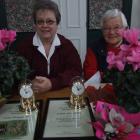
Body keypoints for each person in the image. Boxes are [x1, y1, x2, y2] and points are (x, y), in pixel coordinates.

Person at [15, 0, 82, 93]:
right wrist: (29, 83)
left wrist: (52, 83)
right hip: (33, 95)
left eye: (50, 21)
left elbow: (76, 71)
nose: (45, 25)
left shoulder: (67, 45)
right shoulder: (24, 47)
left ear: (57, 23)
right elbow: (15, 76)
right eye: (40, 22)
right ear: (35, 24)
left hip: (60, 94)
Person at [83, 9, 128, 80]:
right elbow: (89, 75)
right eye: (107, 28)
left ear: (125, 29)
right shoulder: (94, 48)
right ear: (102, 30)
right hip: (102, 89)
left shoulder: (133, 47)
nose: (111, 32)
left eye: (116, 27)